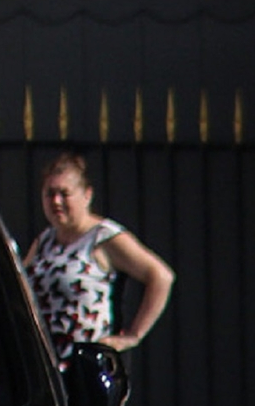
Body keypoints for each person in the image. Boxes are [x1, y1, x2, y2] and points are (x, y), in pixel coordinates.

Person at [23, 151, 174, 358]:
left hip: (87, 365)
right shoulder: (44, 241)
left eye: (64, 194)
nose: (56, 201)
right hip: (46, 363)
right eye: (49, 194)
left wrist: (133, 335)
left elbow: (161, 276)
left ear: (87, 195)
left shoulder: (103, 238)